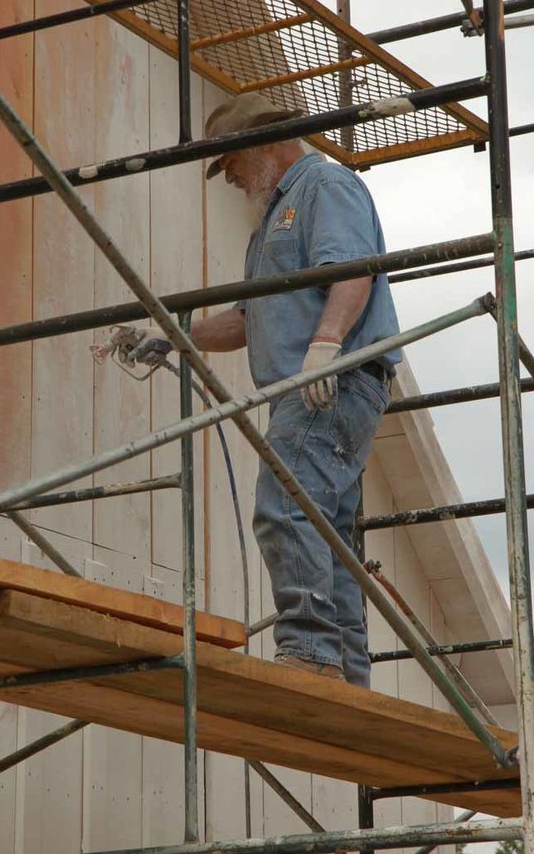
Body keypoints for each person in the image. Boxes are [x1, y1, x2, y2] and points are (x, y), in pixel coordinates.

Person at [119, 92, 401, 686]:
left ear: (264, 143)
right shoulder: (271, 219)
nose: (229, 180)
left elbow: (352, 269)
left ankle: (311, 652)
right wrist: (174, 337)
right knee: (329, 530)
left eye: (232, 163)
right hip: (315, 384)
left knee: (285, 506)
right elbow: (248, 320)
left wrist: (324, 349)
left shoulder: (323, 187)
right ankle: (345, 670)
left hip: (328, 381)